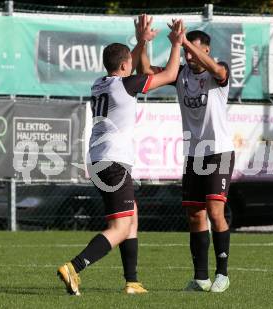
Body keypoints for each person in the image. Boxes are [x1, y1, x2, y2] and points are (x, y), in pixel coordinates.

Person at [57, 15, 184, 296]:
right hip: (114, 161)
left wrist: (141, 43)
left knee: (131, 217)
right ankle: (74, 267)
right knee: (120, 226)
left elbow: (128, 64)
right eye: (130, 63)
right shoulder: (126, 85)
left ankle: (132, 281)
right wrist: (176, 44)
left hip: (99, 160)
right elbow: (171, 74)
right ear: (125, 66)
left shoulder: (100, 83)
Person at [138, 23, 235, 293]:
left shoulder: (219, 72)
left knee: (216, 212)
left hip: (220, 152)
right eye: (185, 52)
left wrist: (184, 42)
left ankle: (222, 274)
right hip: (193, 155)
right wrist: (143, 42)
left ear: (206, 50)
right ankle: (200, 278)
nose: (188, 57)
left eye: (193, 52)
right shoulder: (180, 74)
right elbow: (145, 73)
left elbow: (218, 70)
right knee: (195, 215)